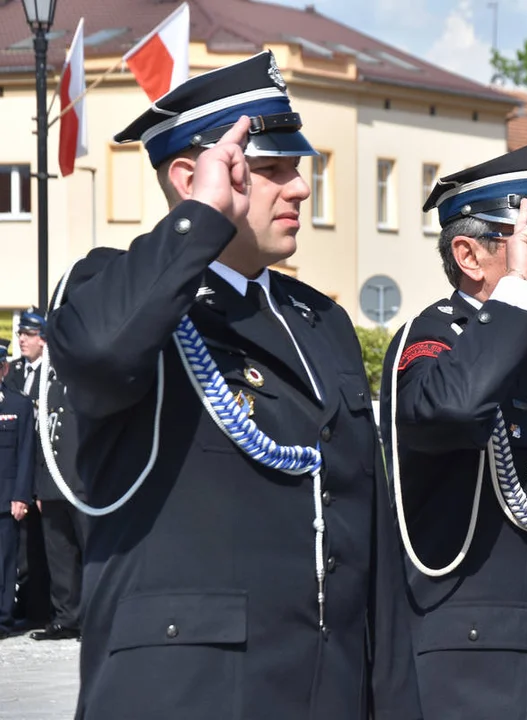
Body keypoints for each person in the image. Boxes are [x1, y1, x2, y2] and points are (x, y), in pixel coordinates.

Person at [47, 51, 419, 719]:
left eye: (296, 169)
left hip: (325, 692)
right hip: (189, 693)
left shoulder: (319, 319)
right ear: (194, 177)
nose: (300, 188)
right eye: (271, 170)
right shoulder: (114, 287)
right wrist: (202, 219)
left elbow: (370, 540)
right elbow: (101, 351)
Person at [379, 139, 527, 720]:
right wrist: (515, 299)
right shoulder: (435, 337)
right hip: (477, 671)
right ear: (469, 255)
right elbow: (449, 409)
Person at [3, 309, 52, 629]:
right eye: (20, 333)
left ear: (44, 340)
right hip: (13, 480)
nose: (22, 338)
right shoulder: (16, 372)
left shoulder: (54, 373)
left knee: (32, 551)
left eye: (29, 334)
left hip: (37, 477)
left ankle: (34, 608)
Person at [0, 341, 35, 640]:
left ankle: (2, 619)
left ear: (4, 369)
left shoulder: (18, 405)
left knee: (5, 562)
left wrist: (22, 495)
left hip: (5, 498)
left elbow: (26, 453)